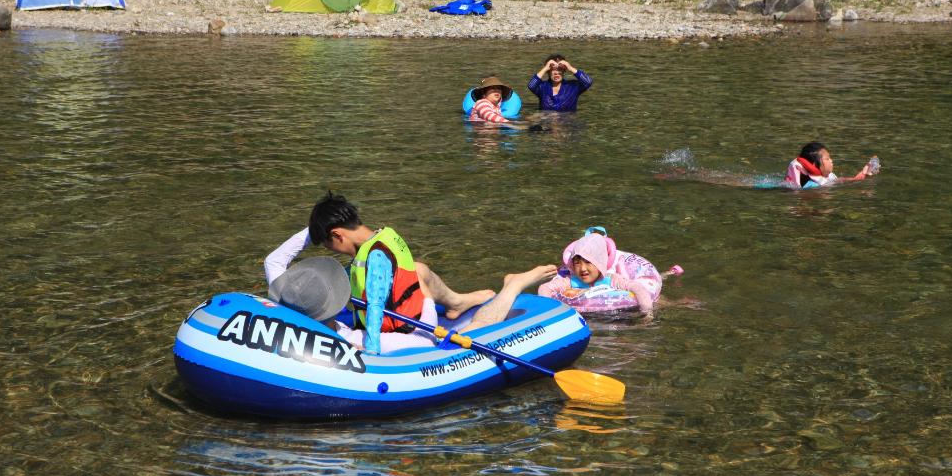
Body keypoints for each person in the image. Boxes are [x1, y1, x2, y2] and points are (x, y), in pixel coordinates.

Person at [265, 192, 556, 354]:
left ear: (338, 235)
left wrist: (372, 351)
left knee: (468, 334)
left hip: (412, 331)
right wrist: (321, 222)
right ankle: (457, 302)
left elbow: (375, 307)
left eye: (328, 243)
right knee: (418, 270)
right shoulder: (383, 235)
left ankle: (512, 287)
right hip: (412, 308)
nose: (332, 250)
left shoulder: (375, 257)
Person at [538, 227, 667, 322]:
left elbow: (638, 288)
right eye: (577, 263)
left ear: (599, 262)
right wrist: (548, 312)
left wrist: (647, 313)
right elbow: (545, 287)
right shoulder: (570, 281)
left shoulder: (611, 279)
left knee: (661, 303)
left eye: (588, 262)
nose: (582, 268)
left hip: (616, 316)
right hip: (584, 317)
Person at [786, 142, 878, 189]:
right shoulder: (812, 186)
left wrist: (861, 175)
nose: (831, 161)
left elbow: (839, 180)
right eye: (827, 159)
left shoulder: (826, 177)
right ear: (814, 165)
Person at [527, 54, 593, 112]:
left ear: (564, 70)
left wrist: (570, 68)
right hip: (545, 119)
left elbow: (588, 81)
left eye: (559, 69)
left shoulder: (573, 87)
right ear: (548, 72)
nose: (557, 72)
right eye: (553, 70)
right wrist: (545, 68)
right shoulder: (542, 87)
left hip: (567, 120)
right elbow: (531, 85)